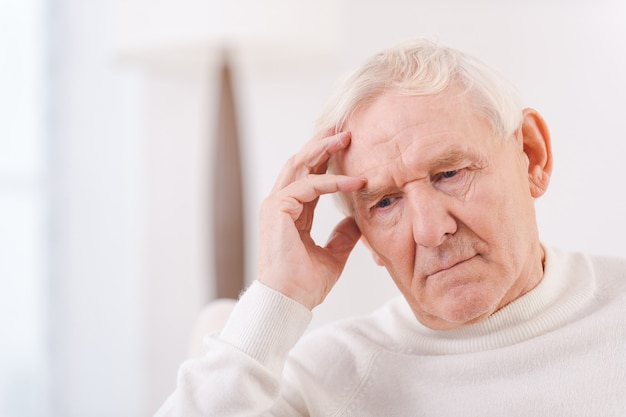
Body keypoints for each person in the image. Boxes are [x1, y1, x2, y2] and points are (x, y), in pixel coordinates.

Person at [155, 39, 626, 416]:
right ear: (364, 237)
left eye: (449, 174)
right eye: (384, 203)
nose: (429, 230)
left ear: (532, 154)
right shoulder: (326, 380)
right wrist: (278, 297)